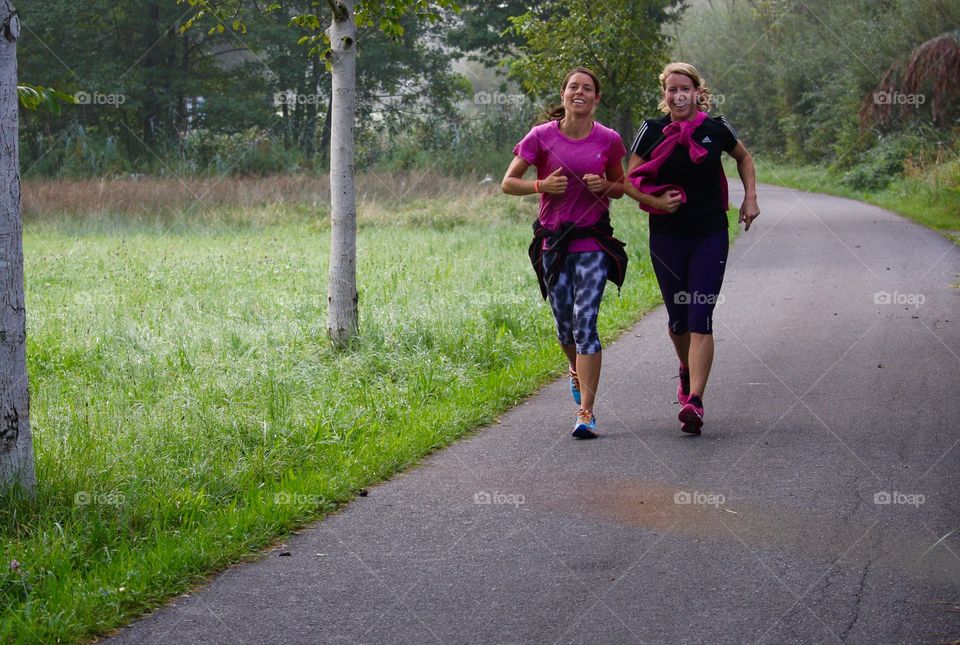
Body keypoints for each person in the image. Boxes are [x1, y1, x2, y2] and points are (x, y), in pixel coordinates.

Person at [623, 62, 759, 435]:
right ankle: (685, 369)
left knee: (701, 316)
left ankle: (695, 401)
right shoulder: (651, 130)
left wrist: (750, 197)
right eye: (671, 89)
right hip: (666, 235)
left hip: (709, 233)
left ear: (698, 92)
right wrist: (653, 200)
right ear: (665, 95)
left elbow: (744, 157)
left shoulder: (716, 128)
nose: (678, 94)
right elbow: (627, 180)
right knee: (678, 319)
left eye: (685, 88)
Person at [501, 67, 628, 439]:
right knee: (565, 327)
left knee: (586, 322)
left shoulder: (609, 139)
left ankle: (585, 412)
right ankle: (575, 368)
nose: (580, 92)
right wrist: (541, 184)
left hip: (592, 242)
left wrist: (605, 185)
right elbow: (508, 183)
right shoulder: (540, 137)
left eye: (587, 88)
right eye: (573, 86)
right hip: (553, 245)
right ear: (563, 94)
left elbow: (621, 187)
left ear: (596, 98)